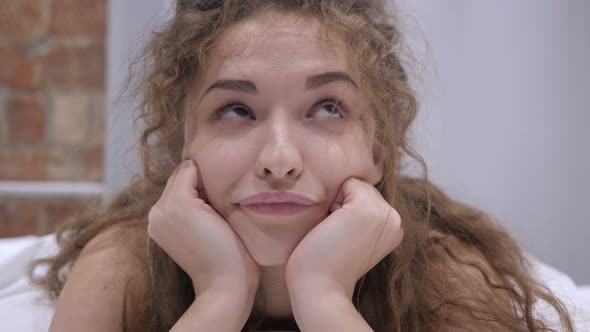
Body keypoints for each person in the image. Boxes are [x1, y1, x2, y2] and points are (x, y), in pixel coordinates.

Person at [27, 0, 575, 331]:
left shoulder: (446, 277)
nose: (280, 160)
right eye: (237, 110)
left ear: (379, 150)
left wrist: (324, 298)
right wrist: (218, 298)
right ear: (179, 147)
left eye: (328, 108)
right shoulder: (122, 270)